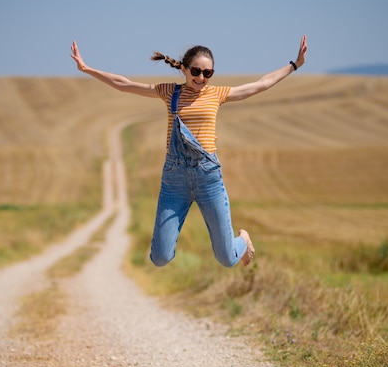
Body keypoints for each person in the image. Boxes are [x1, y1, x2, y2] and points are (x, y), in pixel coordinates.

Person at [71, 35, 307, 268]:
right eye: (196, 71)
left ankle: (242, 240)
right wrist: (87, 69)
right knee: (160, 258)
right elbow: (124, 84)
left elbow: (261, 84)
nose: (201, 77)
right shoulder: (169, 92)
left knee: (226, 258)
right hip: (175, 179)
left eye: (208, 73)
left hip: (209, 178)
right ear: (184, 69)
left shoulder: (217, 94)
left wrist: (294, 65)